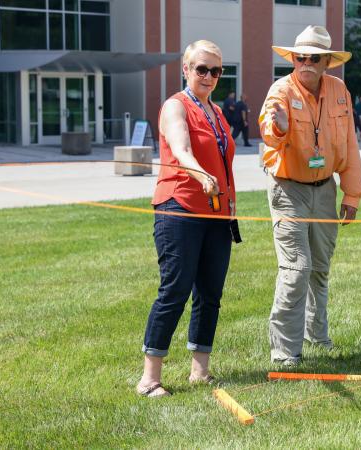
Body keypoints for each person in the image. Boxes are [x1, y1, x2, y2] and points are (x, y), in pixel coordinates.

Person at [137, 40, 239, 397]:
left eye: (216, 70)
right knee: (175, 290)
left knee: (210, 293)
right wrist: (199, 173)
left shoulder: (217, 111)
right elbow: (181, 149)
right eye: (201, 69)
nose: (209, 76)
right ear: (186, 69)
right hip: (179, 207)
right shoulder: (175, 106)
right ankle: (150, 379)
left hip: (217, 213)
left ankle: (200, 370)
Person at [258, 25, 361, 366]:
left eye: (313, 57)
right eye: (300, 56)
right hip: (288, 189)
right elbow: (268, 134)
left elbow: (349, 144)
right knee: (296, 268)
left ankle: (317, 335)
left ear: (326, 63)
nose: (306, 62)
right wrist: (280, 127)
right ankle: (284, 351)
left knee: (319, 268)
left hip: (324, 191)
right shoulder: (280, 91)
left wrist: (352, 196)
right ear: (294, 59)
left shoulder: (338, 90)